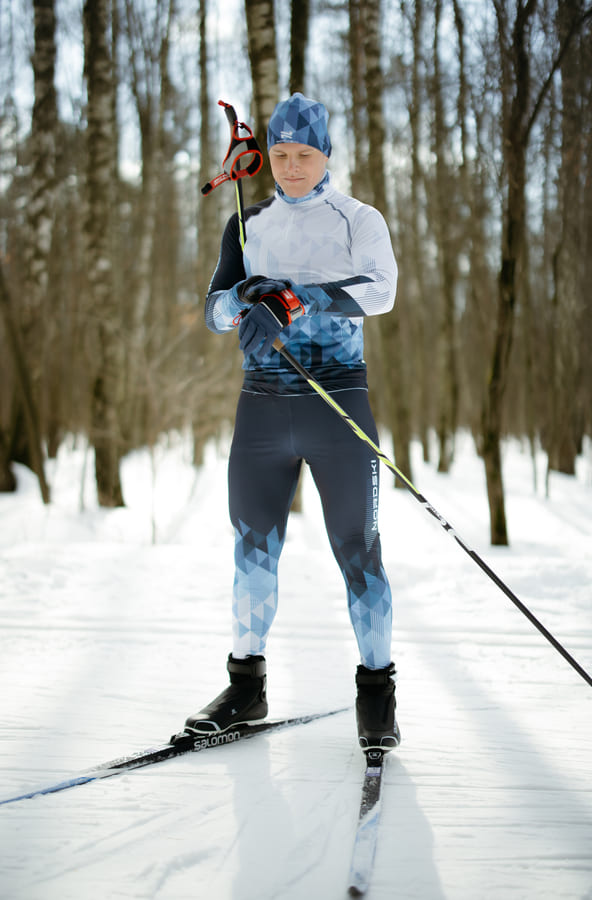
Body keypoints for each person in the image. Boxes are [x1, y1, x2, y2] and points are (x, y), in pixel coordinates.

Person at [185, 93, 400, 752]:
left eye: (304, 154)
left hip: (338, 404)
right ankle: (245, 688)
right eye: (279, 155)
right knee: (252, 552)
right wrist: (248, 297)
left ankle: (376, 694)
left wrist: (295, 298)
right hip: (262, 409)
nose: (292, 167)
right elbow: (214, 308)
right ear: (266, 155)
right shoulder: (248, 226)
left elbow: (381, 292)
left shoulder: (358, 218)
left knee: (357, 551)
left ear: (326, 153)